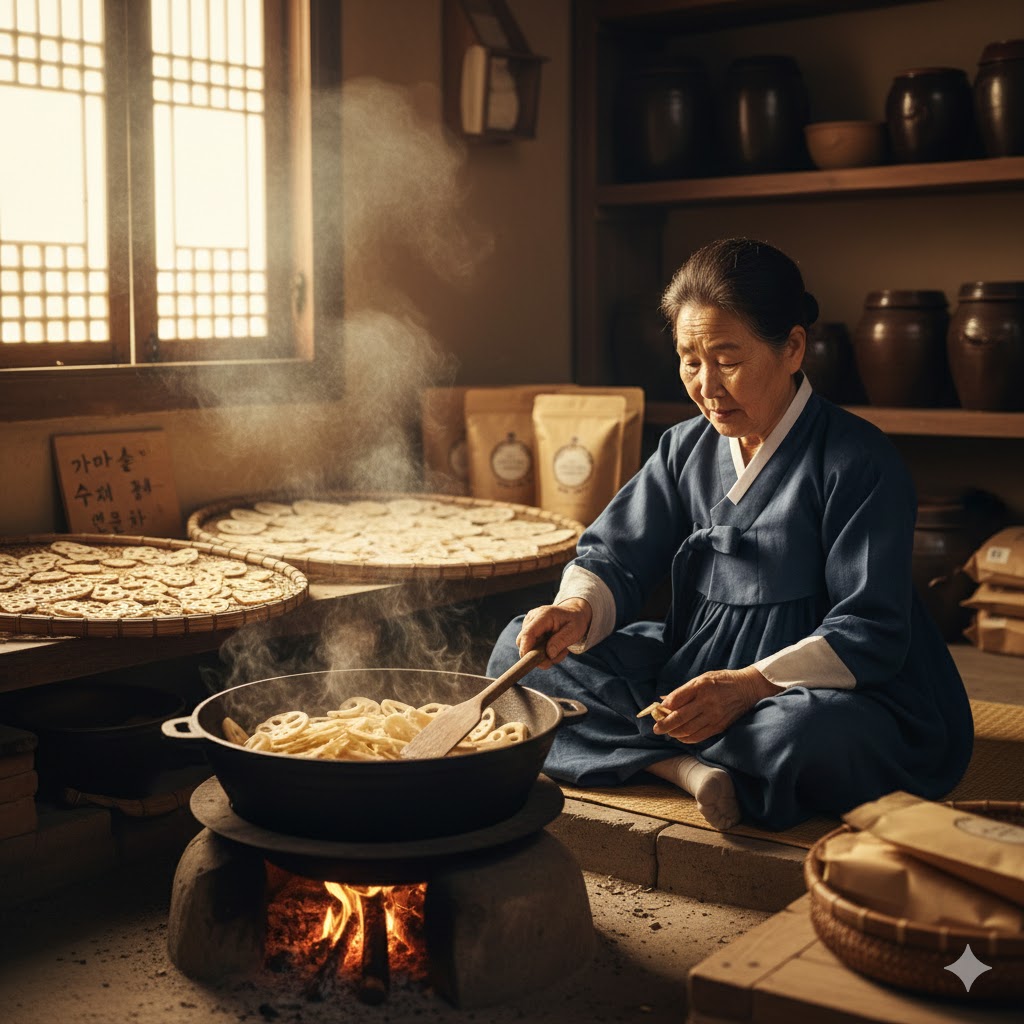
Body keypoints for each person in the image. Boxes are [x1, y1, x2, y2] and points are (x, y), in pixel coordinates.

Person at [487, 237, 974, 832]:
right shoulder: (684, 448)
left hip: (817, 689)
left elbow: (870, 630)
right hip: (693, 665)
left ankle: (669, 752)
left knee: (801, 736)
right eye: (690, 359)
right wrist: (574, 611)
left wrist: (748, 688)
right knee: (524, 651)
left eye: (728, 359)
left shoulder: (858, 461)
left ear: (793, 347)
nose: (706, 386)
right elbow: (615, 552)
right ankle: (687, 771)